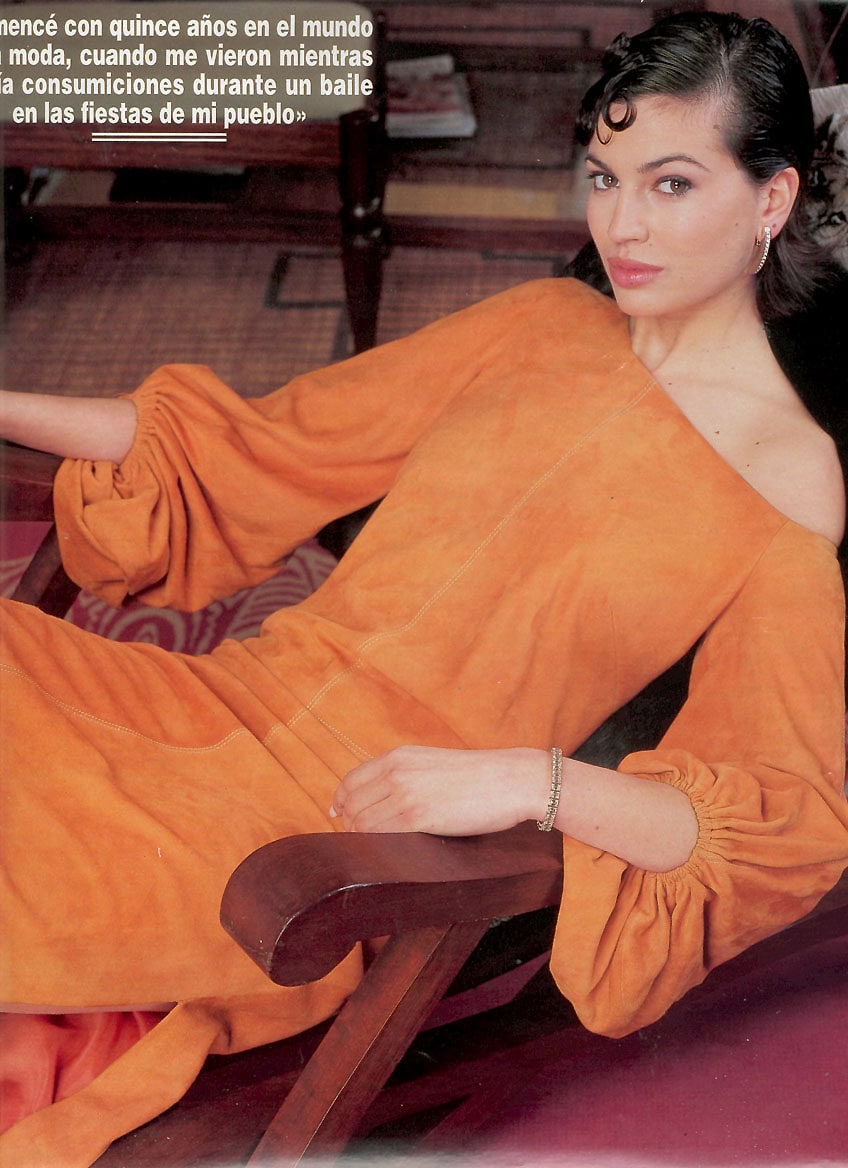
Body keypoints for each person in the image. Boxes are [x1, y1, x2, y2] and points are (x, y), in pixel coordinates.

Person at [2, 10, 847, 1165]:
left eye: (670, 184)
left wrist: (534, 780)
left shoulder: (788, 486)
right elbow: (252, 448)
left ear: (769, 199)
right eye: (604, 178)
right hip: (210, 703)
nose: (620, 224)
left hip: (333, 828)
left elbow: (780, 823)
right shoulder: (546, 320)